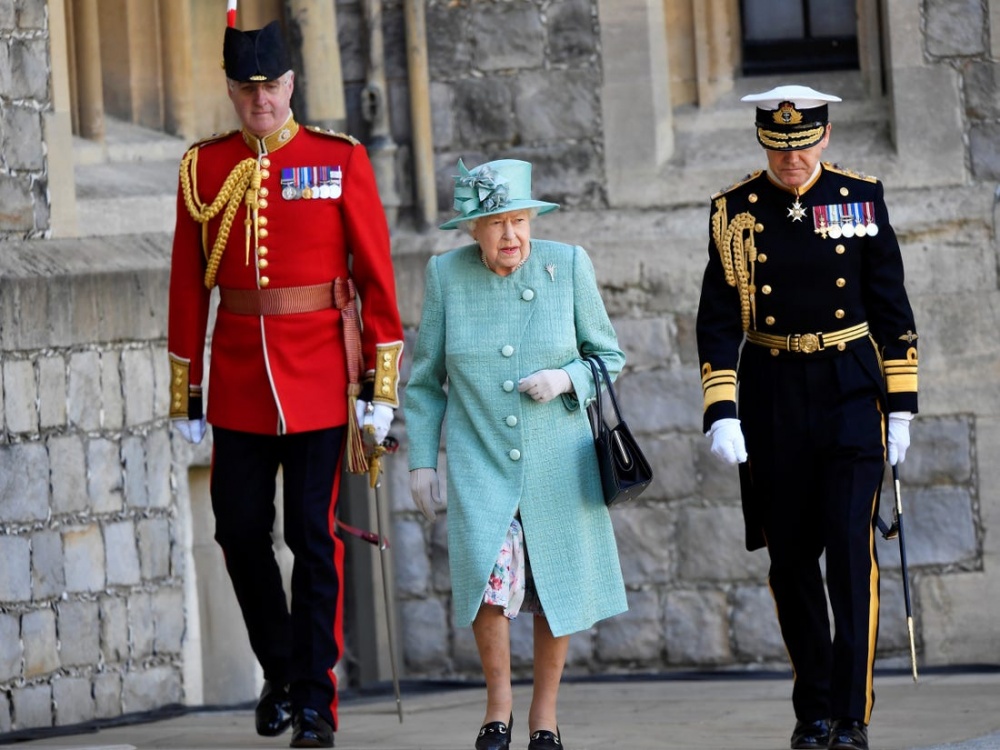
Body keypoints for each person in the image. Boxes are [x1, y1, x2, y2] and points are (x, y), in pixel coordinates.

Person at [167, 19, 403, 749]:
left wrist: (380, 386)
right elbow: (187, 283)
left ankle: (316, 703)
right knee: (238, 530)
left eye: (270, 86)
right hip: (240, 381)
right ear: (231, 90)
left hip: (320, 379)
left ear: (291, 84)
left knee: (311, 537)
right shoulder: (205, 168)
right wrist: (187, 388)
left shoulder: (338, 159)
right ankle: (281, 669)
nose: (259, 99)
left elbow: (375, 276)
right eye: (246, 89)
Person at [696, 85, 918, 750]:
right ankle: (813, 711)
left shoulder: (860, 197)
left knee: (850, 555)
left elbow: (893, 312)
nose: (791, 160)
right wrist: (722, 410)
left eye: (802, 146)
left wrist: (901, 409)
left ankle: (851, 716)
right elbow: (716, 321)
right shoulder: (733, 211)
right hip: (772, 392)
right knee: (791, 561)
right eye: (778, 148)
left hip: (849, 388)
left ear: (824, 137)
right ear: (763, 141)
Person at [404, 158, 628, 750]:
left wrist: (566, 379)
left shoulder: (568, 264)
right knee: (489, 580)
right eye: (497, 223)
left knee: (555, 583)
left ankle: (544, 718)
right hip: (481, 460)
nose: (511, 235)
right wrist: (422, 461)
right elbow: (424, 383)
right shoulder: (446, 275)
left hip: (559, 461)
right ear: (473, 229)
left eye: (520, 221)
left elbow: (609, 356)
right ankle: (497, 710)